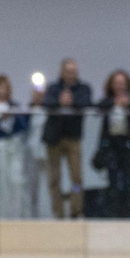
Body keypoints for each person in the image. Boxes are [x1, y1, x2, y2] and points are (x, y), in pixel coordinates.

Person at [42, 58, 92, 219]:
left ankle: (75, 209)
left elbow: (86, 102)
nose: (71, 74)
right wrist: (59, 101)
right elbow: (46, 102)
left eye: (74, 71)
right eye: (68, 71)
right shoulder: (53, 88)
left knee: (76, 178)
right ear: (62, 72)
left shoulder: (83, 88)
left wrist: (72, 101)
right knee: (55, 179)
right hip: (54, 139)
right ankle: (58, 212)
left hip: (73, 138)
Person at [95, 69, 130, 218]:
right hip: (111, 144)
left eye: (122, 83)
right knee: (112, 179)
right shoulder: (107, 101)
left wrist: (129, 103)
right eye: (117, 83)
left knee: (127, 179)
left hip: (128, 144)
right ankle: (112, 211)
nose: (119, 86)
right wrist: (113, 102)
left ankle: (127, 210)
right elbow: (98, 107)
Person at [0, 74, 30, 219]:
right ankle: (1, 216)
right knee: (1, 182)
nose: (2, 91)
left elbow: (23, 126)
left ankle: (17, 216)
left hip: (14, 145)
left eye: (5, 88)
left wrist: (13, 115)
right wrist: (0, 118)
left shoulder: (14, 105)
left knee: (16, 181)